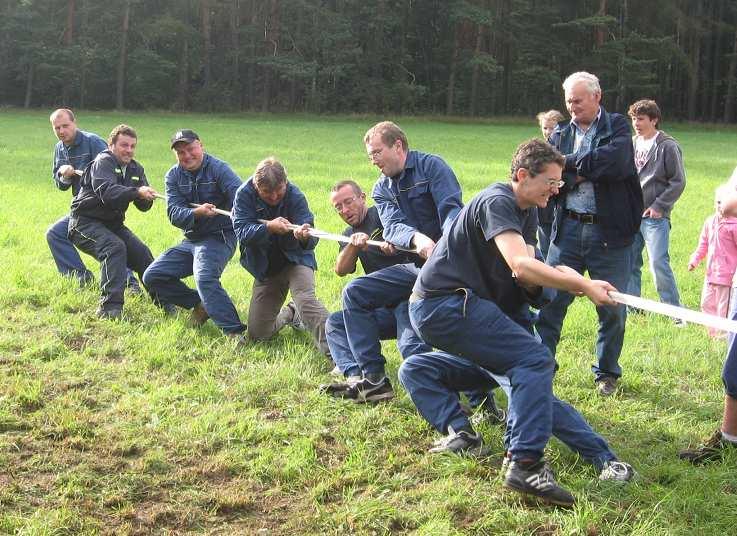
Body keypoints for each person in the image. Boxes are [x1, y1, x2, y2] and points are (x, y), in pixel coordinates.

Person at [408, 138, 626, 506]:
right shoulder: (498, 201)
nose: (556, 191)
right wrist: (582, 284)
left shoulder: (526, 211)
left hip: (464, 309)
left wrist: (566, 277)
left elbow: (526, 276)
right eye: (551, 183)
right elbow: (520, 265)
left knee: (418, 368)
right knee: (533, 362)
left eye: (560, 184)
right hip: (444, 306)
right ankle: (525, 462)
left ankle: (590, 455)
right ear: (523, 175)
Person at [331, 121, 501, 416]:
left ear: (398, 146)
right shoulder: (381, 188)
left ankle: (483, 404)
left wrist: (446, 245)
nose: (373, 160)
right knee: (355, 291)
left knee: (447, 331)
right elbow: (393, 225)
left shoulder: (432, 167)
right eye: (369, 155)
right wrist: (418, 240)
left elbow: (451, 210)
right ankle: (374, 379)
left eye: (376, 152)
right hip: (414, 268)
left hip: (449, 267)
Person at [536, 72, 643, 397]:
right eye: (568, 101)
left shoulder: (618, 127)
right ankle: (541, 366)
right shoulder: (560, 133)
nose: (572, 107)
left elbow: (618, 162)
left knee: (611, 308)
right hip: (566, 229)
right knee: (550, 303)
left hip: (609, 234)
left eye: (578, 101)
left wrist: (569, 165)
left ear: (597, 97)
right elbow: (549, 176)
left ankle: (607, 373)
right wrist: (579, 173)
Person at [142, 130, 246, 339]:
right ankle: (201, 304)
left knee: (205, 276)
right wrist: (196, 213)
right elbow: (174, 214)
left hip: (220, 236)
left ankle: (234, 331)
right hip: (191, 240)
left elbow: (241, 197)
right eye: (180, 152)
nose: (187, 155)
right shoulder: (173, 175)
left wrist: (239, 209)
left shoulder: (219, 169)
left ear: (201, 146)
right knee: (152, 276)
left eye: (190, 149)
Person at [323, 179, 421, 387]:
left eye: (348, 202)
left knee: (410, 346)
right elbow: (341, 269)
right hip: (384, 309)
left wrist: (396, 242)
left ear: (363, 197)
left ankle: (438, 393)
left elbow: (410, 236)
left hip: (408, 300)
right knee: (335, 323)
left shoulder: (382, 215)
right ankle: (354, 376)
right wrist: (353, 246)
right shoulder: (348, 235)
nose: (345, 210)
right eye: (338, 207)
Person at [231, 157, 330, 355]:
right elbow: (242, 232)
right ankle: (290, 313)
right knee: (258, 334)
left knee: (305, 301)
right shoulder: (244, 194)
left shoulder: (295, 195)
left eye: (279, 190)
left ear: (286, 182)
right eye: (267, 193)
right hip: (267, 266)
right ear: (255, 186)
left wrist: (303, 236)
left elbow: (312, 238)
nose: (275, 197)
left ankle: (337, 352)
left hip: (297, 259)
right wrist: (268, 227)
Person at [68, 124, 158, 319]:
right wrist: (137, 192)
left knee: (142, 254)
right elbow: (107, 192)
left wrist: (144, 197)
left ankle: (164, 302)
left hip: (113, 224)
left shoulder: (135, 168)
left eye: (133, 146)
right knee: (114, 248)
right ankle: (110, 310)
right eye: (124, 145)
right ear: (111, 145)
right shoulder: (103, 161)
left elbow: (143, 207)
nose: (129, 150)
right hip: (83, 223)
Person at [48, 108, 140, 290]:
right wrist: (64, 175)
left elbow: (115, 169)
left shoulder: (93, 142)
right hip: (82, 210)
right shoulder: (59, 148)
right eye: (57, 128)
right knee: (56, 234)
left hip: (102, 207)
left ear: (75, 123)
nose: (61, 131)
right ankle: (82, 278)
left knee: (111, 245)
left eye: (65, 126)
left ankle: (129, 283)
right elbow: (60, 184)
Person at [626, 99, 686, 319]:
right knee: (630, 263)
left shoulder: (668, 146)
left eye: (641, 119)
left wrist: (659, 206)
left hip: (655, 218)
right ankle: (632, 309)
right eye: (633, 119)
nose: (636, 123)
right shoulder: (631, 143)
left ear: (654, 120)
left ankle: (675, 313)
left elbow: (678, 181)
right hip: (632, 215)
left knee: (658, 263)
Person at [687, 185, 737, 338]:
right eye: (717, 202)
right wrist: (695, 259)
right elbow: (703, 245)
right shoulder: (710, 222)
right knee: (706, 304)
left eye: (723, 202)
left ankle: (723, 335)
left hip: (727, 276)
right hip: (711, 274)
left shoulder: (734, 226)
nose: (719, 206)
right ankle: (713, 333)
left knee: (724, 308)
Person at [535, 110, 566, 260]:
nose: (548, 132)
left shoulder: (562, 149)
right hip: (541, 210)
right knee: (544, 249)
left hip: (556, 208)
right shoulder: (539, 149)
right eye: (545, 128)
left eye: (552, 128)